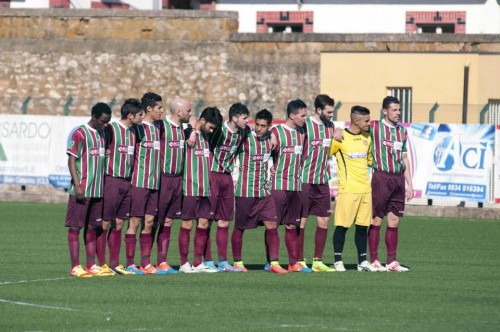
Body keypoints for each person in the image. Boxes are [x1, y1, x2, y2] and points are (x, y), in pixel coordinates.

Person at [231, 109, 288, 274]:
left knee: (272, 225)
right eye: (257, 124)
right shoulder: (246, 137)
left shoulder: (271, 140)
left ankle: (274, 263)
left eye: (263, 126)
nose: (259, 128)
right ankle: (238, 262)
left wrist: (273, 136)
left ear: (270, 126)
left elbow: (276, 151)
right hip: (245, 192)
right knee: (240, 227)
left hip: (264, 191)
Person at [97, 99, 144, 276]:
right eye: (140, 115)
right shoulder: (111, 129)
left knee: (119, 223)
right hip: (111, 180)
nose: (142, 118)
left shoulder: (135, 131)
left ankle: (115, 263)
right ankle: (101, 264)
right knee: (105, 222)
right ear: (130, 115)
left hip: (127, 182)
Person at [65, 102, 112, 277]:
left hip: (98, 189)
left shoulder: (103, 133)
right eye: (103, 121)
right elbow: (71, 160)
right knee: (76, 227)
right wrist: (77, 185)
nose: (106, 125)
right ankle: (75, 266)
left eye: (108, 122)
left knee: (93, 227)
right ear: (94, 117)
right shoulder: (80, 133)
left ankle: (91, 265)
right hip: (82, 189)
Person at [367, 96, 413, 272]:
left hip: (398, 179)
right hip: (381, 177)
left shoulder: (402, 131)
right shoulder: (374, 127)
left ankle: (392, 262)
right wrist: (338, 131)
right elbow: (354, 129)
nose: (398, 113)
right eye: (394, 110)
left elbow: (404, 157)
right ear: (385, 111)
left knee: (394, 220)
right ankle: (374, 260)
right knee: (376, 218)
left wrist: (409, 183)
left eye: (399, 110)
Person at [329, 106, 375, 272]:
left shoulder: (367, 137)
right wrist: (334, 131)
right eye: (366, 120)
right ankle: (337, 260)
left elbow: (370, 160)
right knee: (342, 226)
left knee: (363, 227)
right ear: (356, 121)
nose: (369, 123)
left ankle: (362, 262)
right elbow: (324, 154)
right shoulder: (339, 138)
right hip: (348, 190)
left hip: (365, 190)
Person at [177, 107, 223, 273]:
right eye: (210, 126)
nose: (212, 130)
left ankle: (198, 263)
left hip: (206, 187)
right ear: (202, 121)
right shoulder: (187, 132)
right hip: (189, 187)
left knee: (203, 224)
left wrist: (199, 130)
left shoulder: (208, 136)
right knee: (187, 224)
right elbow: (191, 118)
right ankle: (184, 263)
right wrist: (194, 131)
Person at [270, 99, 312, 273]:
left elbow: (302, 157)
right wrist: (270, 167)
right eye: (302, 115)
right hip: (279, 184)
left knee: (292, 225)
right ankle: (272, 262)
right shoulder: (276, 132)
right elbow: (265, 152)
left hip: (296, 185)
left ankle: (293, 263)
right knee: (273, 224)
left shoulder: (302, 133)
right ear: (292, 115)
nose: (305, 118)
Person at [125, 92, 163, 275]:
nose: (161, 111)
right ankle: (130, 263)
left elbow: (193, 119)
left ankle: (145, 263)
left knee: (149, 222)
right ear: (149, 109)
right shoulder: (137, 129)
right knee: (135, 222)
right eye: (159, 108)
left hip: (155, 183)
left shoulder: (158, 127)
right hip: (139, 182)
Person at [208, 102, 249, 272]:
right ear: (234, 118)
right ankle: (207, 261)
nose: (247, 121)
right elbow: (197, 123)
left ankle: (223, 261)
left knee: (224, 221)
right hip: (211, 175)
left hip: (227, 178)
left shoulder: (244, 133)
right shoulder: (218, 129)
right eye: (244, 118)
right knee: (206, 221)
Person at [154, 98, 192, 275]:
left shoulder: (184, 129)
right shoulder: (161, 126)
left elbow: (195, 121)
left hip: (178, 180)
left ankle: (162, 261)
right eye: (188, 111)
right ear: (179, 112)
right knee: (155, 221)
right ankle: (144, 261)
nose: (191, 113)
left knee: (169, 221)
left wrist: (192, 131)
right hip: (163, 178)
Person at [298, 94, 336, 272]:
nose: (331, 115)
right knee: (302, 221)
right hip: (304, 180)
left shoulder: (331, 127)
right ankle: (299, 260)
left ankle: (318, 261)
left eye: (332, 112)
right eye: (328, 112)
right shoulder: (305, 126)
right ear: (319, 110)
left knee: (324, 220)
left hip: (322, 181)